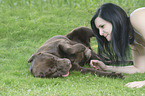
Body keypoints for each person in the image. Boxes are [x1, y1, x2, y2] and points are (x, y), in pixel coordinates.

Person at [90, 3, 145, 88]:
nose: (100, 33)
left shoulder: (137, 17)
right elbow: (139, 69)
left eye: (102, 26)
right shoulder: (133, 39)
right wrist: (106, 68)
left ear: (115, 20)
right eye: (98, 29)